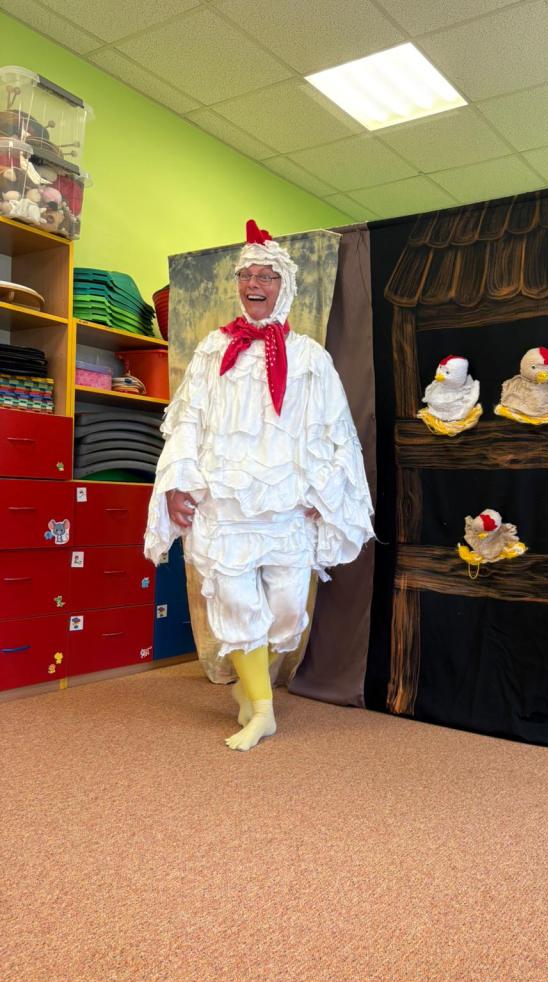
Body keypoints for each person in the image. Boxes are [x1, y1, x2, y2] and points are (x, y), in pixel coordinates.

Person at [144, 220, 374, 750]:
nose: (255, 283)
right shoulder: (212, 349)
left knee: (288, 608)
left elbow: (336, 428)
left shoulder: (311, 358)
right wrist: (178, 483)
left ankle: (252, 685)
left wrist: (325, 491)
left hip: (287, 501)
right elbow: (187, 420)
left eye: (266, 275)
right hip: (223, 499)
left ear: (283, 286)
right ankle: (262, 709)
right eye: (247, 274)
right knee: (235, 599)